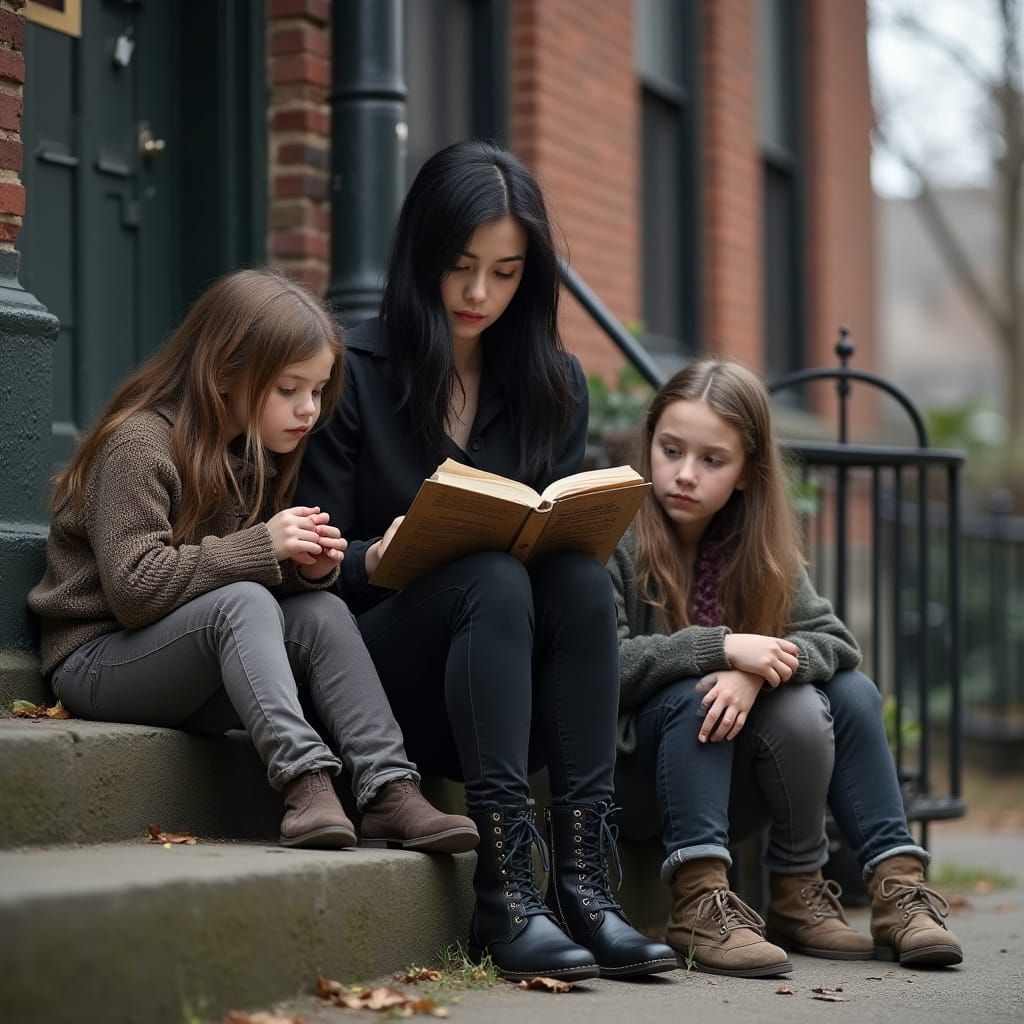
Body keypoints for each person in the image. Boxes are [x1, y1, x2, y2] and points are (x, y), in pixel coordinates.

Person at [297, 140, 676, 981]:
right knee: (491, 575)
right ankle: (507, 893)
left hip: (513, 693)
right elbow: (308, 563)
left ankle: (583, 888)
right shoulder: (353, 373)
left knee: (575, 577)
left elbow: (557, 550)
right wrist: (376, 555)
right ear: (422, 255)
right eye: (461, 266)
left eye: (505, 273)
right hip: (382, 689)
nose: (479, 294)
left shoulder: (554, 384)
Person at [28, 268, 476, 856]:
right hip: (98, 659)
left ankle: (389, 788)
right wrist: (264, 547)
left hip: (187, 666)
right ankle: (303, 781)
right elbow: (135, 590)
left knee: (319, 610)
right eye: (288, 389)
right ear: (224, 374)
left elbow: (228, 586)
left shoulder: (250, 455)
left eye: (317, 391)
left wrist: (302, 569)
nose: (308, 409)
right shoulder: (138, 444)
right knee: (243, 601)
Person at [609, 357, 964, 975]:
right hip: (634, 779)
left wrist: (754, 668)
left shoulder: (759, 547)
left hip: (730, 781)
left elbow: (836, 643)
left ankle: (890, 891)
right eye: (670, 450)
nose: (684, 475)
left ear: (748, 472)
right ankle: (696, 904)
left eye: (712, 460)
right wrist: (720, 649)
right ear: (650, 444)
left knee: (847, 691)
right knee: (704, 690)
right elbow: (603, 668)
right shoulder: (616, 532)